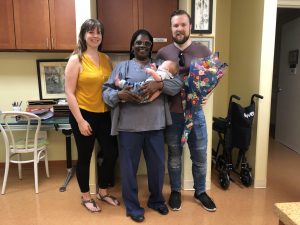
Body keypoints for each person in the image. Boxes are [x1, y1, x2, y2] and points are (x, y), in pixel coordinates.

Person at [102, 29, 182, 222]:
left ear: (151, 48)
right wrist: (118, 95)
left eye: (147, 44)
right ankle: (132, 206)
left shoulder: (160, 67)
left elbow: (177, 84)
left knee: (156, 168)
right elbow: (106, 92)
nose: (143, 46)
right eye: (139, 43)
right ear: (132, 46)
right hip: (128, 128)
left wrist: (159, 85)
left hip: (155, 126)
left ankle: (156, 201)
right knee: (129, 170)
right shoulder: (122, 67)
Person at [156, 9, 217, 212]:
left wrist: (208, 92)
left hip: (196, 114)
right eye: (175, 25)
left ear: (190, 27)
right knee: (174, 155)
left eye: (183, 24)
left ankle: (200, 192)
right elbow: (158, 81)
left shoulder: (203, 51)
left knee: (199, 155)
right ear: (171, 28)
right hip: (173, 114)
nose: (179, 29)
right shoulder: (163, 53)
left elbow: (213, 76)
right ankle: (175, 191)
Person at [65, 19, 119, 213]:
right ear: (84, 35)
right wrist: (80, 120)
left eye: (99, 32)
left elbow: (111, 86)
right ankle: (86, 196)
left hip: (104, 114)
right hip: (84, 114)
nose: (95, 35)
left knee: (112, 152)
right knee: (85, 156)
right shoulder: (76, 59)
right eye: (91, 32)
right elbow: (69, 93)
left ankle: (103, 192)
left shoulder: (106, 59)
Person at [114, 60, 178, 102]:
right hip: (148, 94)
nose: (160, 65)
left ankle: (120, 83)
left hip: (144, 86)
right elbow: (158, 91)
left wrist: (151, 71)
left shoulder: (164, 73)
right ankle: (125, 99)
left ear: (166, 69)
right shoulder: (167, 75)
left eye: (162, 65)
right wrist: (150, 99)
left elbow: (158, 78)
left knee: (132, 86)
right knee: (135, 93)